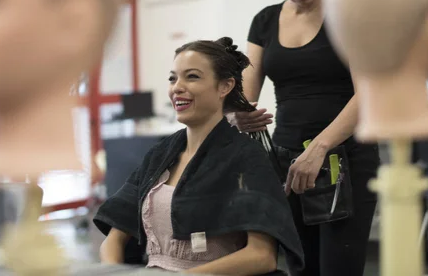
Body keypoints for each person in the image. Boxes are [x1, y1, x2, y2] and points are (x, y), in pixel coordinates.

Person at [228, 0, 380, 276]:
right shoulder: (265, 21)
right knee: (301, 268)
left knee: (338, 268)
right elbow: (245, 95)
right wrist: (236, 114)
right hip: (286, 163)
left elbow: (368, 93)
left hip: (345, 160)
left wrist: (320, 147)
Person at [94, 37, 303, 275]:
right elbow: (114, 239)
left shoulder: (246, 157)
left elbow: (262, 256)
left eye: (192, 76)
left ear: (225, 86)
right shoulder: (160, 154)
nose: (177, 87)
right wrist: (113, 271)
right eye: (173, 78)